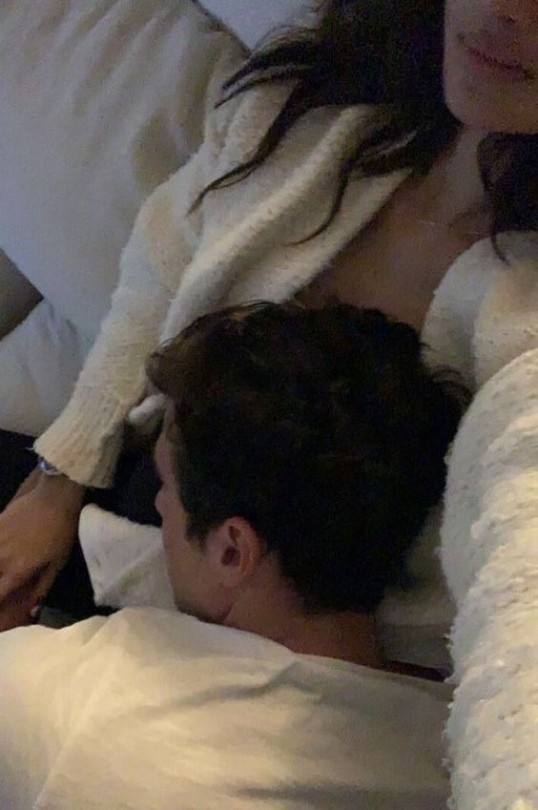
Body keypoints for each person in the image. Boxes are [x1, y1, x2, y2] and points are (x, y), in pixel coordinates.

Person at [0, 0, 536, 674]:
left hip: (310, 671)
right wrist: (60, 481)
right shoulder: (315, 99)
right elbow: (159, 272)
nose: (505, 10)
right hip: (157, 503)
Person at [0, 301, 463, 809]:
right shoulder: (453, 744)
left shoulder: (68, 703)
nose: (159, 505)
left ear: (232, 551)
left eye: (166, 487)